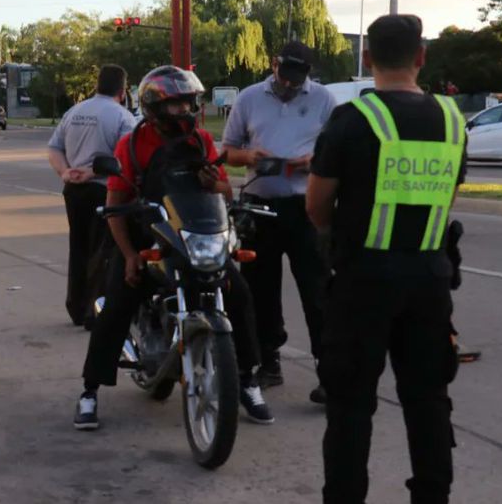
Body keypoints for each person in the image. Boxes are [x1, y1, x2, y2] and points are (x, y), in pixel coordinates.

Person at [307, 14, 466, 504]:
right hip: (430, 280)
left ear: (368, 58)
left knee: (351, 408)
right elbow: (447, 194)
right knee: (429, 403)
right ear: (421, 57)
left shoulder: (353, 119)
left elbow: (316, 206)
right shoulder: (453, 120)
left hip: (364, 282)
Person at [74, 66, 271, 431]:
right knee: (117, 302)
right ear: (154, 107)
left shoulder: (201, 142)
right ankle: (89, 391)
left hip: (194, 236)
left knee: (240, 295)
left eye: (189, 104)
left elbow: (225, 193)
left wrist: (216, 186)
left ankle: (246, 380)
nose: (186, 112)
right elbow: (114, 205)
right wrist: (131, 255)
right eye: (177, 105)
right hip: (145, 235)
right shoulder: (132, 144)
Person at [221, 41, 337, 403]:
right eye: (284, 77)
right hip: (260, 205)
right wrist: (248, 155)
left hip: (308, 205)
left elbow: (337, 148)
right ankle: (267, 362)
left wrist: (314, 160)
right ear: (274, 66)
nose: (289, 86)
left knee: (318, 290)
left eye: (297, 80)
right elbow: (226, 150)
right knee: (260, 290)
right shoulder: (250, 98)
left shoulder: (324, 100)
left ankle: (329, 371)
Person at [47, 64, 136, 329]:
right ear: (122, 90)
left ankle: (75, 305)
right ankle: (93, 311)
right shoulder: (122, 117)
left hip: (73, 189)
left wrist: (66, 172)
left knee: (79, 246)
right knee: (103, 251)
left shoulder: (75, 111)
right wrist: (90, 172)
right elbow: (124, 159)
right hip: (103, 189)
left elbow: (54, 148)